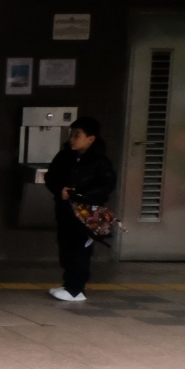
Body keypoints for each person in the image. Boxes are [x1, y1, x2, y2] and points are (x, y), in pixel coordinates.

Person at [45, 115, 115, 303]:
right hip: (65, 210)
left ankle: (76, 289)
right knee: (66, 247)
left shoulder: (100, 161)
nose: (72, 139)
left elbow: (106, 186)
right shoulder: (64, 156)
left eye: (77, 135)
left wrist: (81, 195)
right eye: (71, 135)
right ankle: (68, 284)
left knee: (80, 250)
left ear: (91, 139)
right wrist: (60, 190)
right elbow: (51, 177)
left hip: (86, 213)